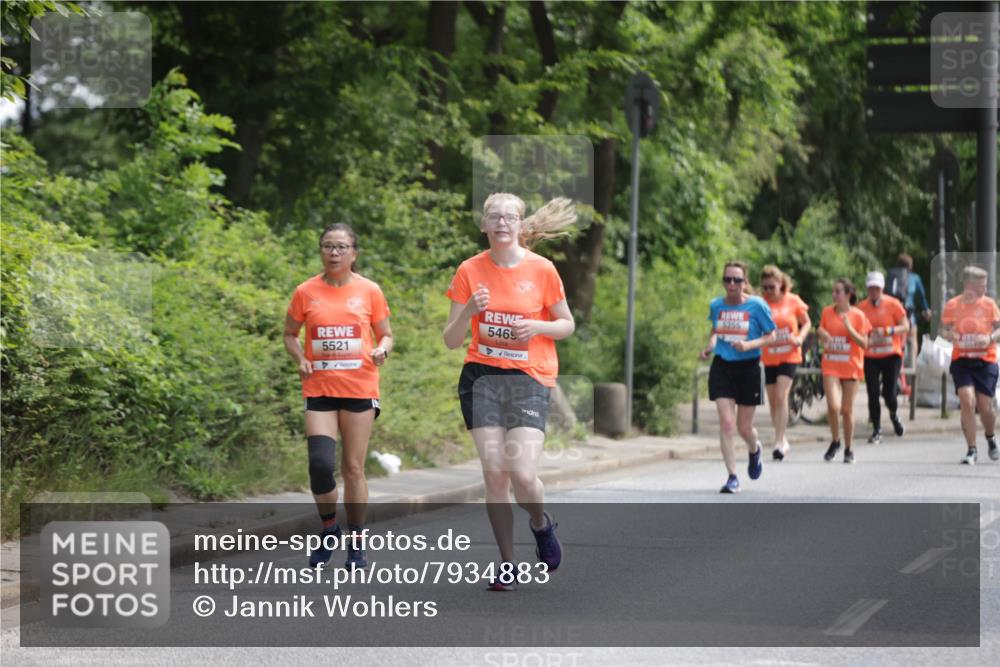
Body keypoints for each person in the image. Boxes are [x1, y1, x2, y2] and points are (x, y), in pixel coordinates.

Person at [443, 193, 576, 591]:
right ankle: (507, 563)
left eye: (509, 217)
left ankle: (540, 522)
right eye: (494, 217)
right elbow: (451, 340)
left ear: (520, 225)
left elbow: (566, 324)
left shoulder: (543, 270)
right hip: (481, 378)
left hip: (528, 378)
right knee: (495, 476)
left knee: (522, 473)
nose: (501, 223)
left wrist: (537, 328)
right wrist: (468, 311)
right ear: (483, 225)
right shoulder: (469, 270)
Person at [284, 223, 393, 569]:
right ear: (320, 251)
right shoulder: (305, 291)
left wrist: (381, 350)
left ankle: (357, 544)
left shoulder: (370, 291)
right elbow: (290, 334)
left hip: (359, 388)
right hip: (319, 388)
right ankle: (330, 527)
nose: (333, 253)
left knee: (353, 467)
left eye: (341, 247)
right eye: (327, 246)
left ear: (353, 254)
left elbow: (387, 335)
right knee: (319, 466)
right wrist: (300, 358)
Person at [700, 262, 776, 493]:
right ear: (723, 281)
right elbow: (716, 331)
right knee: (727, 423)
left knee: (744, 428)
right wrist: (709, 347)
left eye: (737, 280)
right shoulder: (716, 305)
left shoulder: (757, 305)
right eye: (728, 279)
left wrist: (749, 345)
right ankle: (732, 476)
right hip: (722, 367)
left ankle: (755, 449)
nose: (732, 284)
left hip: (749, 368)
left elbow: (771, 335)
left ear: (745, 283)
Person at [940, 265, 1000, 465]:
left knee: (986, 408)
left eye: (985, 286)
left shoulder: (990, 305)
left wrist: (990, 337)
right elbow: (943, 332)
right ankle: (971, 449)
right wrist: (951, 335)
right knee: (967, 400)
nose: (984, 290)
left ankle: (990, 437)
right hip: (962, 360)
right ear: (968, 285)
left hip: (985, 361)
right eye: (980, 286)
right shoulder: (953, 305)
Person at [758, 265, 811, 461]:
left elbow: (807, 322)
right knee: (773, 401)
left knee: (781, 396)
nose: (768, 292)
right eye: (764, 288)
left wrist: (800, 338)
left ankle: (779, 441)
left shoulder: (793, 300)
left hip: (789, 354)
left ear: (781, 284)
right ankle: (783, 436)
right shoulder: (761, 303)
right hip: (769, 355)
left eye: (771, 287)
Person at [817, 278, 871, 464]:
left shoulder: (858, 316)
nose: (834, 295)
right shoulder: (827, 312)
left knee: (847, 410)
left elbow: (864, 343)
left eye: (838, 291)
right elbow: (820, 330)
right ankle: (835, 440)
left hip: (851, 366)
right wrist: (823, 334)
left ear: (848, 294)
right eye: (833, 291)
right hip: (831, 364)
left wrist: (849, 328)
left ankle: (849, 448)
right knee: (834, 406)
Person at [857, 271, 909, 445]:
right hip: (870, 355)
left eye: (877, 288)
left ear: (882, 288)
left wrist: (888, 331)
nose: (873, 291)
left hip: (891, 355)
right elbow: (857, 330)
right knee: (872, 392)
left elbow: (905, 326)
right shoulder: (861, 308)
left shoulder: (893, 304)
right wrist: (868, 336)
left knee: (889, 394)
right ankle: (877, 429)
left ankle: (894, 415)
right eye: (871, 288)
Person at [889, 253, 932, 394]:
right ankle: (911, 376)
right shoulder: (915, 278)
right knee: (912, 343)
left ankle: (893, 379)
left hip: (892, 319)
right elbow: (922, 297)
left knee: (892, 347)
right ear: (911, 266)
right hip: (908, 318)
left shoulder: (890, 276)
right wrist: (926, 310)